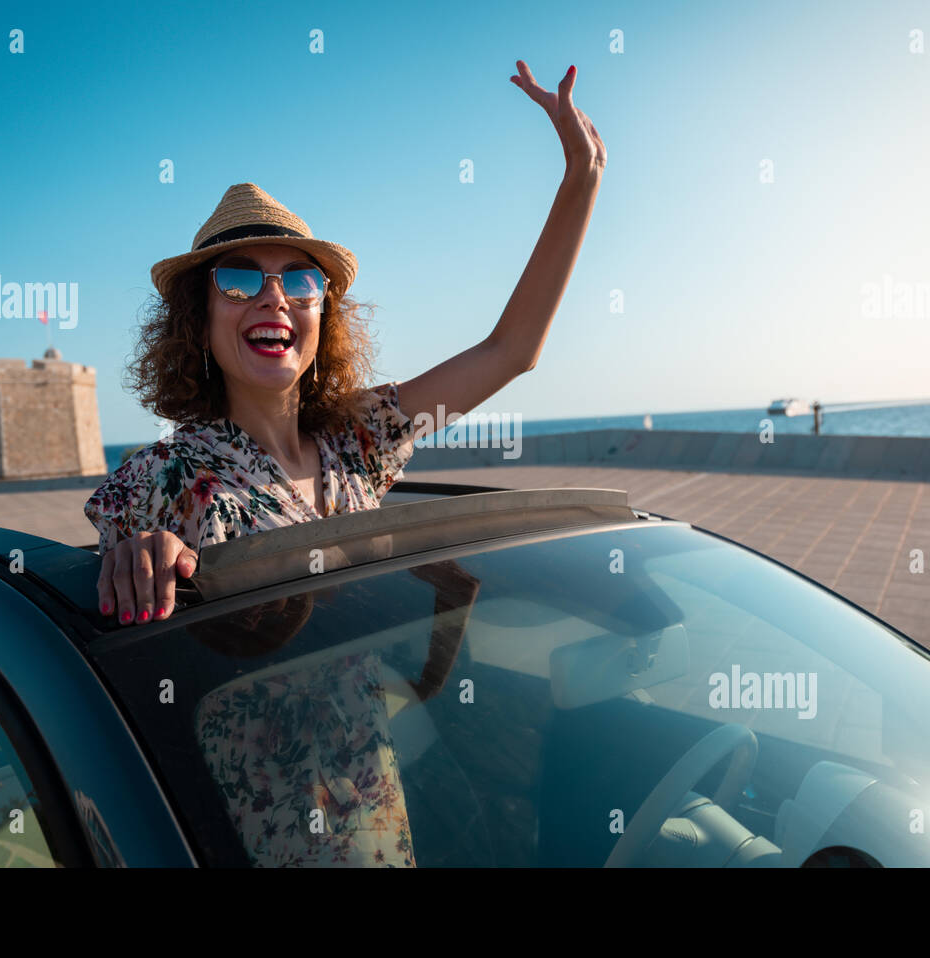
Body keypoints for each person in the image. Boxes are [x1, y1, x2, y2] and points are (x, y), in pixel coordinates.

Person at [84, 59, 606, 865]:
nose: (275, 298)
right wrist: (137, 560)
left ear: (324, 309)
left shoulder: (359, 442)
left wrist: (581, 177)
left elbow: (511, 350)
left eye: (300, 278)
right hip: (244, 829)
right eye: (238, 279)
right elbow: (109, 586)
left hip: (369, 805)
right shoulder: (165, 477)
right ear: (198, 317)